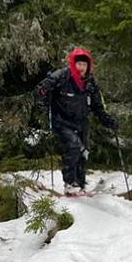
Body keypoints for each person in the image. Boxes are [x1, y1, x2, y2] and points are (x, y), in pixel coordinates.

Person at [34, 47, 117, 195]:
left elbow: (98, 105)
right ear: (73, 63)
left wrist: (107, 121)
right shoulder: (61, 76)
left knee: (83, 151)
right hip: (61, 121)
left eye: (84, 65)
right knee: (73, 146)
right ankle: (69, 183)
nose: (81, 68)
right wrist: (42, 101)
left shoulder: (90, 82)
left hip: (81, 122)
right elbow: (41, 89)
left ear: (88, 66)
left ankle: (80, 183)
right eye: (79, 64)